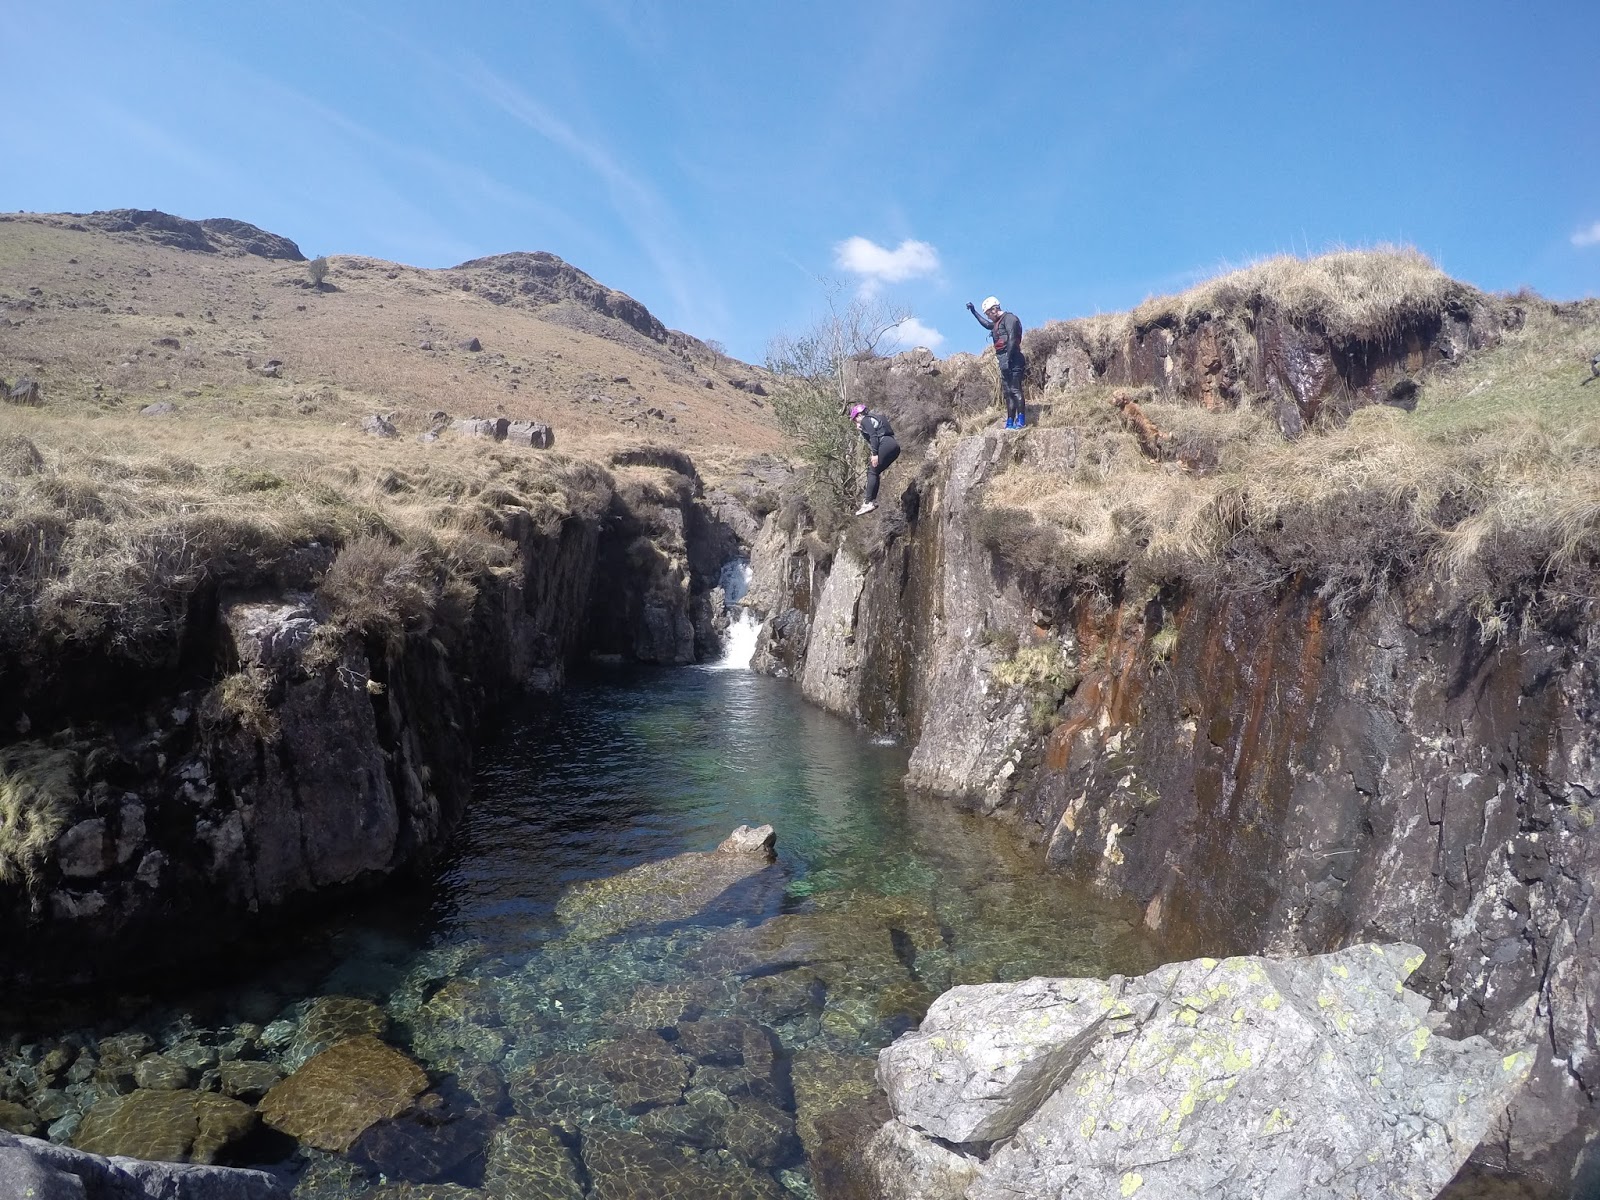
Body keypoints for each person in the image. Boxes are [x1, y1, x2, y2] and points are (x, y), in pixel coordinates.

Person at [966, 295, 1026, 428]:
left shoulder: (1010, 318)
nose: (988, 316)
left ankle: (1021, 421)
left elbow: (1011, 339)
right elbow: (987, 325)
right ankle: (1010, 422)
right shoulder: (997, 323)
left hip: (1014, 358)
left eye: (988, 313)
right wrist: (974, 312)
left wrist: (1008, 359)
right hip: (1003, 360)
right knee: (1008, 393)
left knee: (1015, 390)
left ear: (994, 309)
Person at [848, 403, 899, 516]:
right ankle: (872, 501)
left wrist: (875, 454)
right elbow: (874, 435)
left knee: (872, 471)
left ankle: (868, 502)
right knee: (875, 472)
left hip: (885, 443)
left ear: (858, 416)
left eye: (855, 420)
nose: (856, 423)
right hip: (894, 445)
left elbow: (873, 437)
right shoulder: (877, 417)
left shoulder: (865, 420)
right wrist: (862, 430)